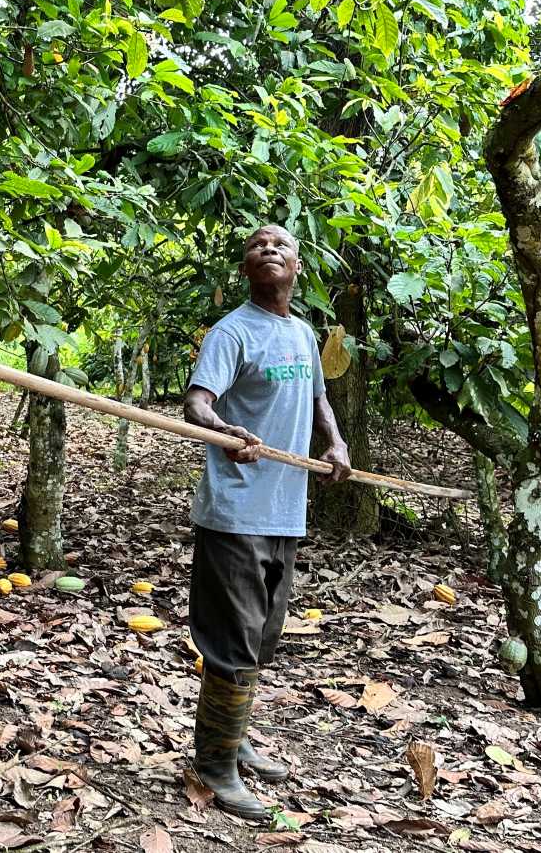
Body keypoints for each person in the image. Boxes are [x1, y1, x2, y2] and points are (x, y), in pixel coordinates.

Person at [181, 225, 352, 820]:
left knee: (263, 636)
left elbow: (316, 399)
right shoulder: (232, 332)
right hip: (235, 510)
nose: (267, 250)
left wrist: (335, 444)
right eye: (255, 245)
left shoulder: (302, 333)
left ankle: (234, 737)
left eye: (279, 244)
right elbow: (198, 402)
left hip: (286, 508)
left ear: (297, 266)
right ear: (245, 266)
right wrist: (223, 429)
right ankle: (214, 764)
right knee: (233, 638)